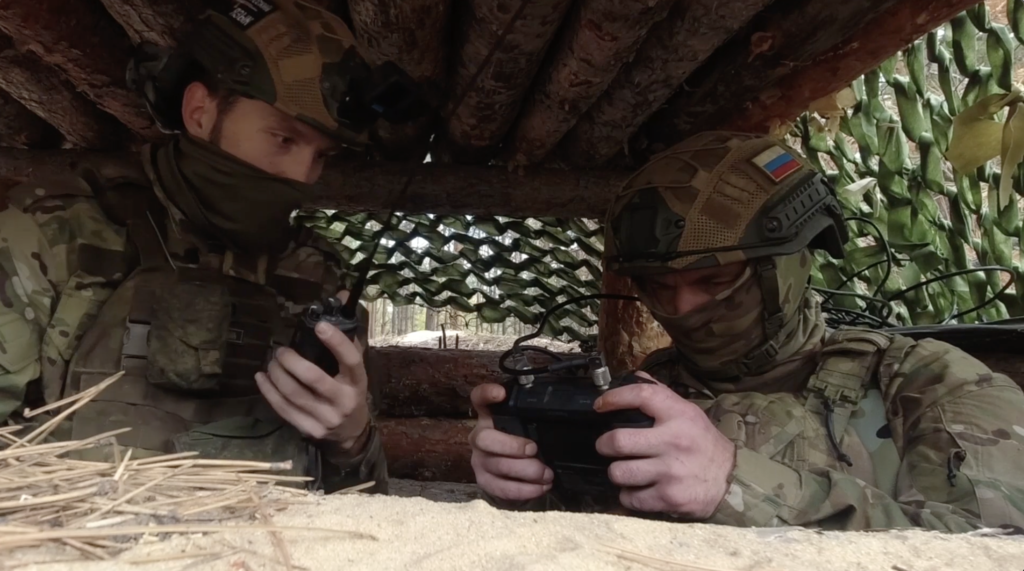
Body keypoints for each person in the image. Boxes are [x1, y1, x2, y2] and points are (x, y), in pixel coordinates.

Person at [469, 132, 1024, 531]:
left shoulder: (932, 383)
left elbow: (990, 547)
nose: (682, 308)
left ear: (787, 268)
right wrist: (531, 487)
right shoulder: (642, 392)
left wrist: (736, 483)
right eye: (658, 287)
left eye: (713, 281)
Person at [0, 0, 423, 494]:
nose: (301, 175)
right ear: (200, 113)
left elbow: (365, 506)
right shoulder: (55, 232)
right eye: (283, 139)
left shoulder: (320, 278)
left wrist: (351, 440)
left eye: (321, 156)